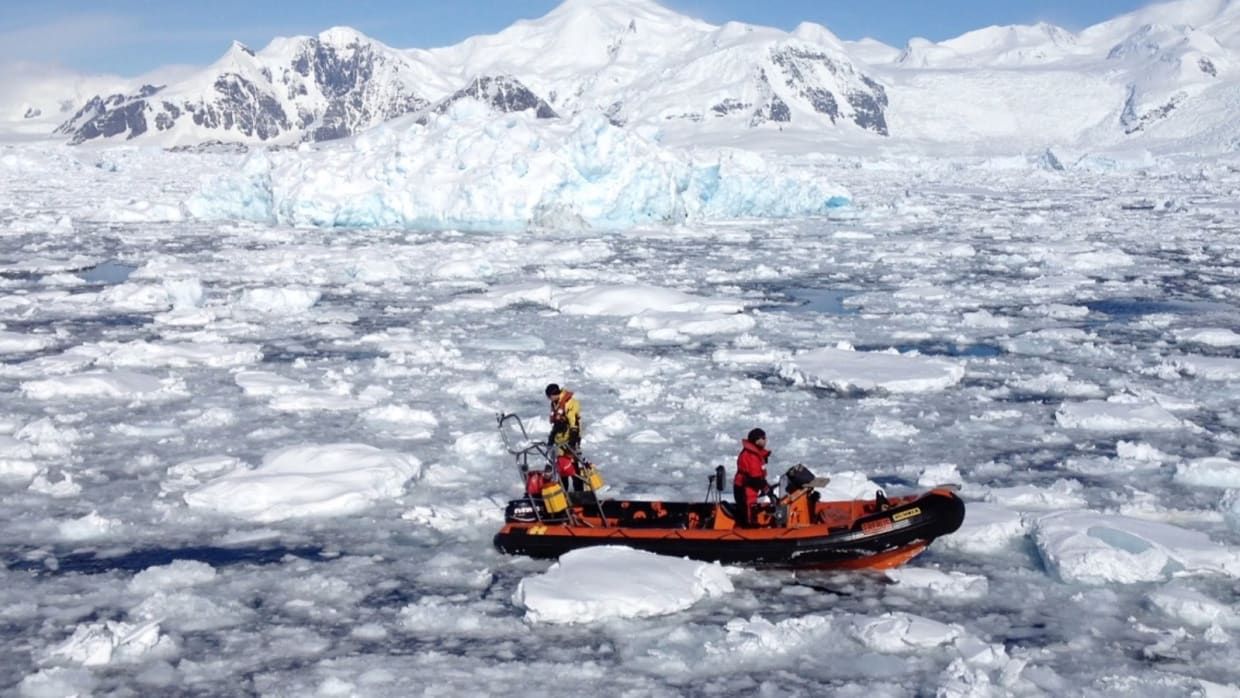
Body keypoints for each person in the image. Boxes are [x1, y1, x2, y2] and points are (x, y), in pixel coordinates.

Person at [545, 383, 582, 491]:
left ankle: (579, 491)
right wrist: (551, 437)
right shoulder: (554, 403)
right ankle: (564, 491)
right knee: (561, 466)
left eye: (549, 396)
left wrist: (573, 440)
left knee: (572, 465)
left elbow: (574, 423)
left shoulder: (570, 403)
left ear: (554, 394)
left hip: (570, 438)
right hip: (559, 439)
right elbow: (556, 422)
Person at [733, 428, 772, 527]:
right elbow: (755, 478)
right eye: (763, 438)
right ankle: (749, 529)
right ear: (756, 440)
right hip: (745, 488)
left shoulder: (756, 454)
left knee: (751, 507)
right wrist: (766, 488)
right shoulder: (751, 456)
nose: (765, 440)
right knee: (748, 510)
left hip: (749, 487)